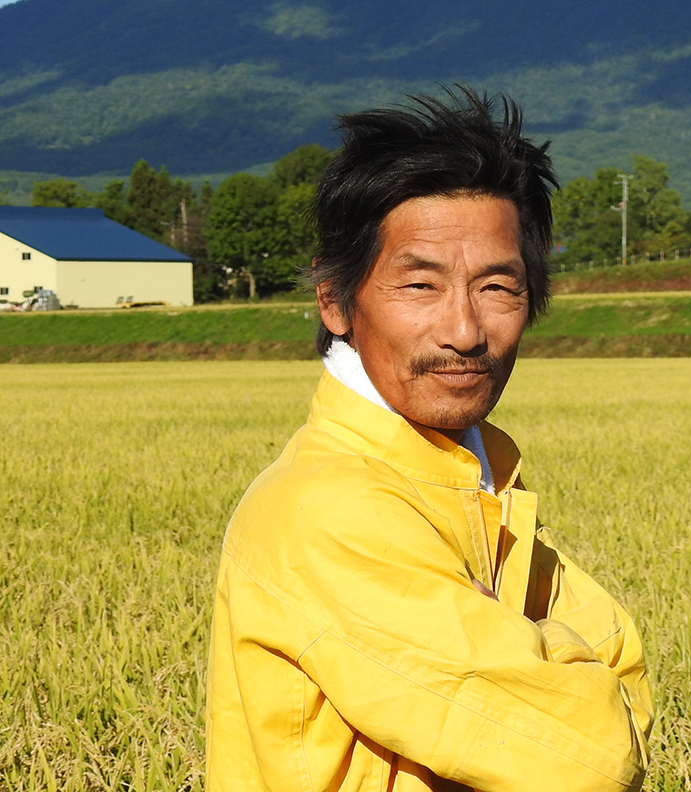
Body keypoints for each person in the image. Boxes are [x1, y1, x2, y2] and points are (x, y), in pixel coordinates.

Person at [206, 87, 652, 792]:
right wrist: (542, 647)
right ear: (335, 301)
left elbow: (627, 678)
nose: (466, 331)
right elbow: (585, 756)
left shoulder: (471, 480)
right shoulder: (333, 513)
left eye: (498, 288)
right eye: (420, 286)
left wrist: (528, 650)